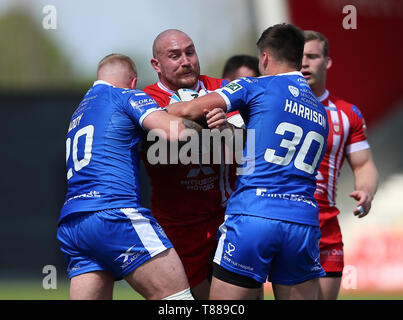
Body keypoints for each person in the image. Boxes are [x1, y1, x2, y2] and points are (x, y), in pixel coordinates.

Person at [167, 23, 329, 300]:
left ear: (264, 58)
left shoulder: (257, 85)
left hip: (255, 214)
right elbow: (264, 150)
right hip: (302, 221)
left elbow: (189, 108)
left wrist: (150, 112)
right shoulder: (320, 110)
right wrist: (228, 132)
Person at [57, 53, 197, 300]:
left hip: (74, 226)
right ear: (133, 81)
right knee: (178, 299)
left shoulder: (80, 111)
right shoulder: (126, 96)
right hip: (114, 213)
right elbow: (175, 132)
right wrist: (203, 119)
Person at [142, 29, 237, 299]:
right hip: (178, 227)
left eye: (190, 52)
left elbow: (249, 150)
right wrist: (196, 124)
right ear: (156, 65)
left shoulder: (224, 89)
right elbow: (151, 148)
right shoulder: (144, 102)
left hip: (228, 218)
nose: (186, 61)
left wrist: (228, 128)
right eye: (174, 56)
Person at [301, 30, 379, 299]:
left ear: (327, 62)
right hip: (283, 221)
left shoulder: (347, 114)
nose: (304, 63)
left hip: (326, 228)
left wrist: (366, 191)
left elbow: (364, 165)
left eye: (312, 56)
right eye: (299, 57)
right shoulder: (272, 105)